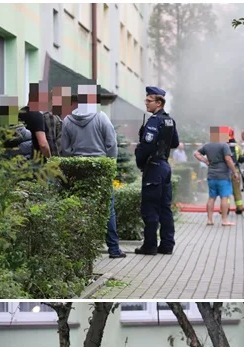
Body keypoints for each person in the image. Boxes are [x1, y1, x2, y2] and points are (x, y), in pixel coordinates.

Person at [60, 93, 125, 259]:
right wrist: (110, 165)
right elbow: (111, 144)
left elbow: (65, 149)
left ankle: (78, 249)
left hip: (78, 169)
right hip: (100, 168)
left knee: (79, 206)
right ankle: (114, 249)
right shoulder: (102, 118)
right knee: (108, 208)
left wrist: (72, 167)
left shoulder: (67, 120)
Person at [133, 86, 180, 256]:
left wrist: (140, 161)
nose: (146, 103)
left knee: (150, 208)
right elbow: (174, 143)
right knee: (164, 207)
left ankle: (150, 245)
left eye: (149, 100)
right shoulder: (169, 120)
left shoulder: (154, 121)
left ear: (159, 103)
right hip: (165, 167)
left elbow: (146, 146)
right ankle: (167, 245)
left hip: (153, 167)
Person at [193, 127, 240, 226]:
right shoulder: (224, 145)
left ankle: (209, 220)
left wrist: (205, 161)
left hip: (211, 176)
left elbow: (196, 153)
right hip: (223, 176)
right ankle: (224, 220)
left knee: (211, 198)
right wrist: (234, 172)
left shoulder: (207, 146)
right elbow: (228, 159)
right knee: (224, 197)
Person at [227, 130, 244, 215]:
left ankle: (225, 208)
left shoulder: (224, 146)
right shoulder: (237, 147)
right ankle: (239, 208)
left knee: (226, 191)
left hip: (226, 172)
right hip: (236, 172)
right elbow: (242, 159)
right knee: (237, 190)